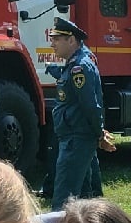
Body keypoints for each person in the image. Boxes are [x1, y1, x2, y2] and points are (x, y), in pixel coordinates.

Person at [44, 17, 104, 210]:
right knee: (87, 200)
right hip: (75, 138)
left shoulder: (79, 67)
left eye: (56, 38)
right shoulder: (74, 65)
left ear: (71, 40)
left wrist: (99, 133)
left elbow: (90, 105)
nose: (52, 43)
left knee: (63, 199)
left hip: (75, 140)